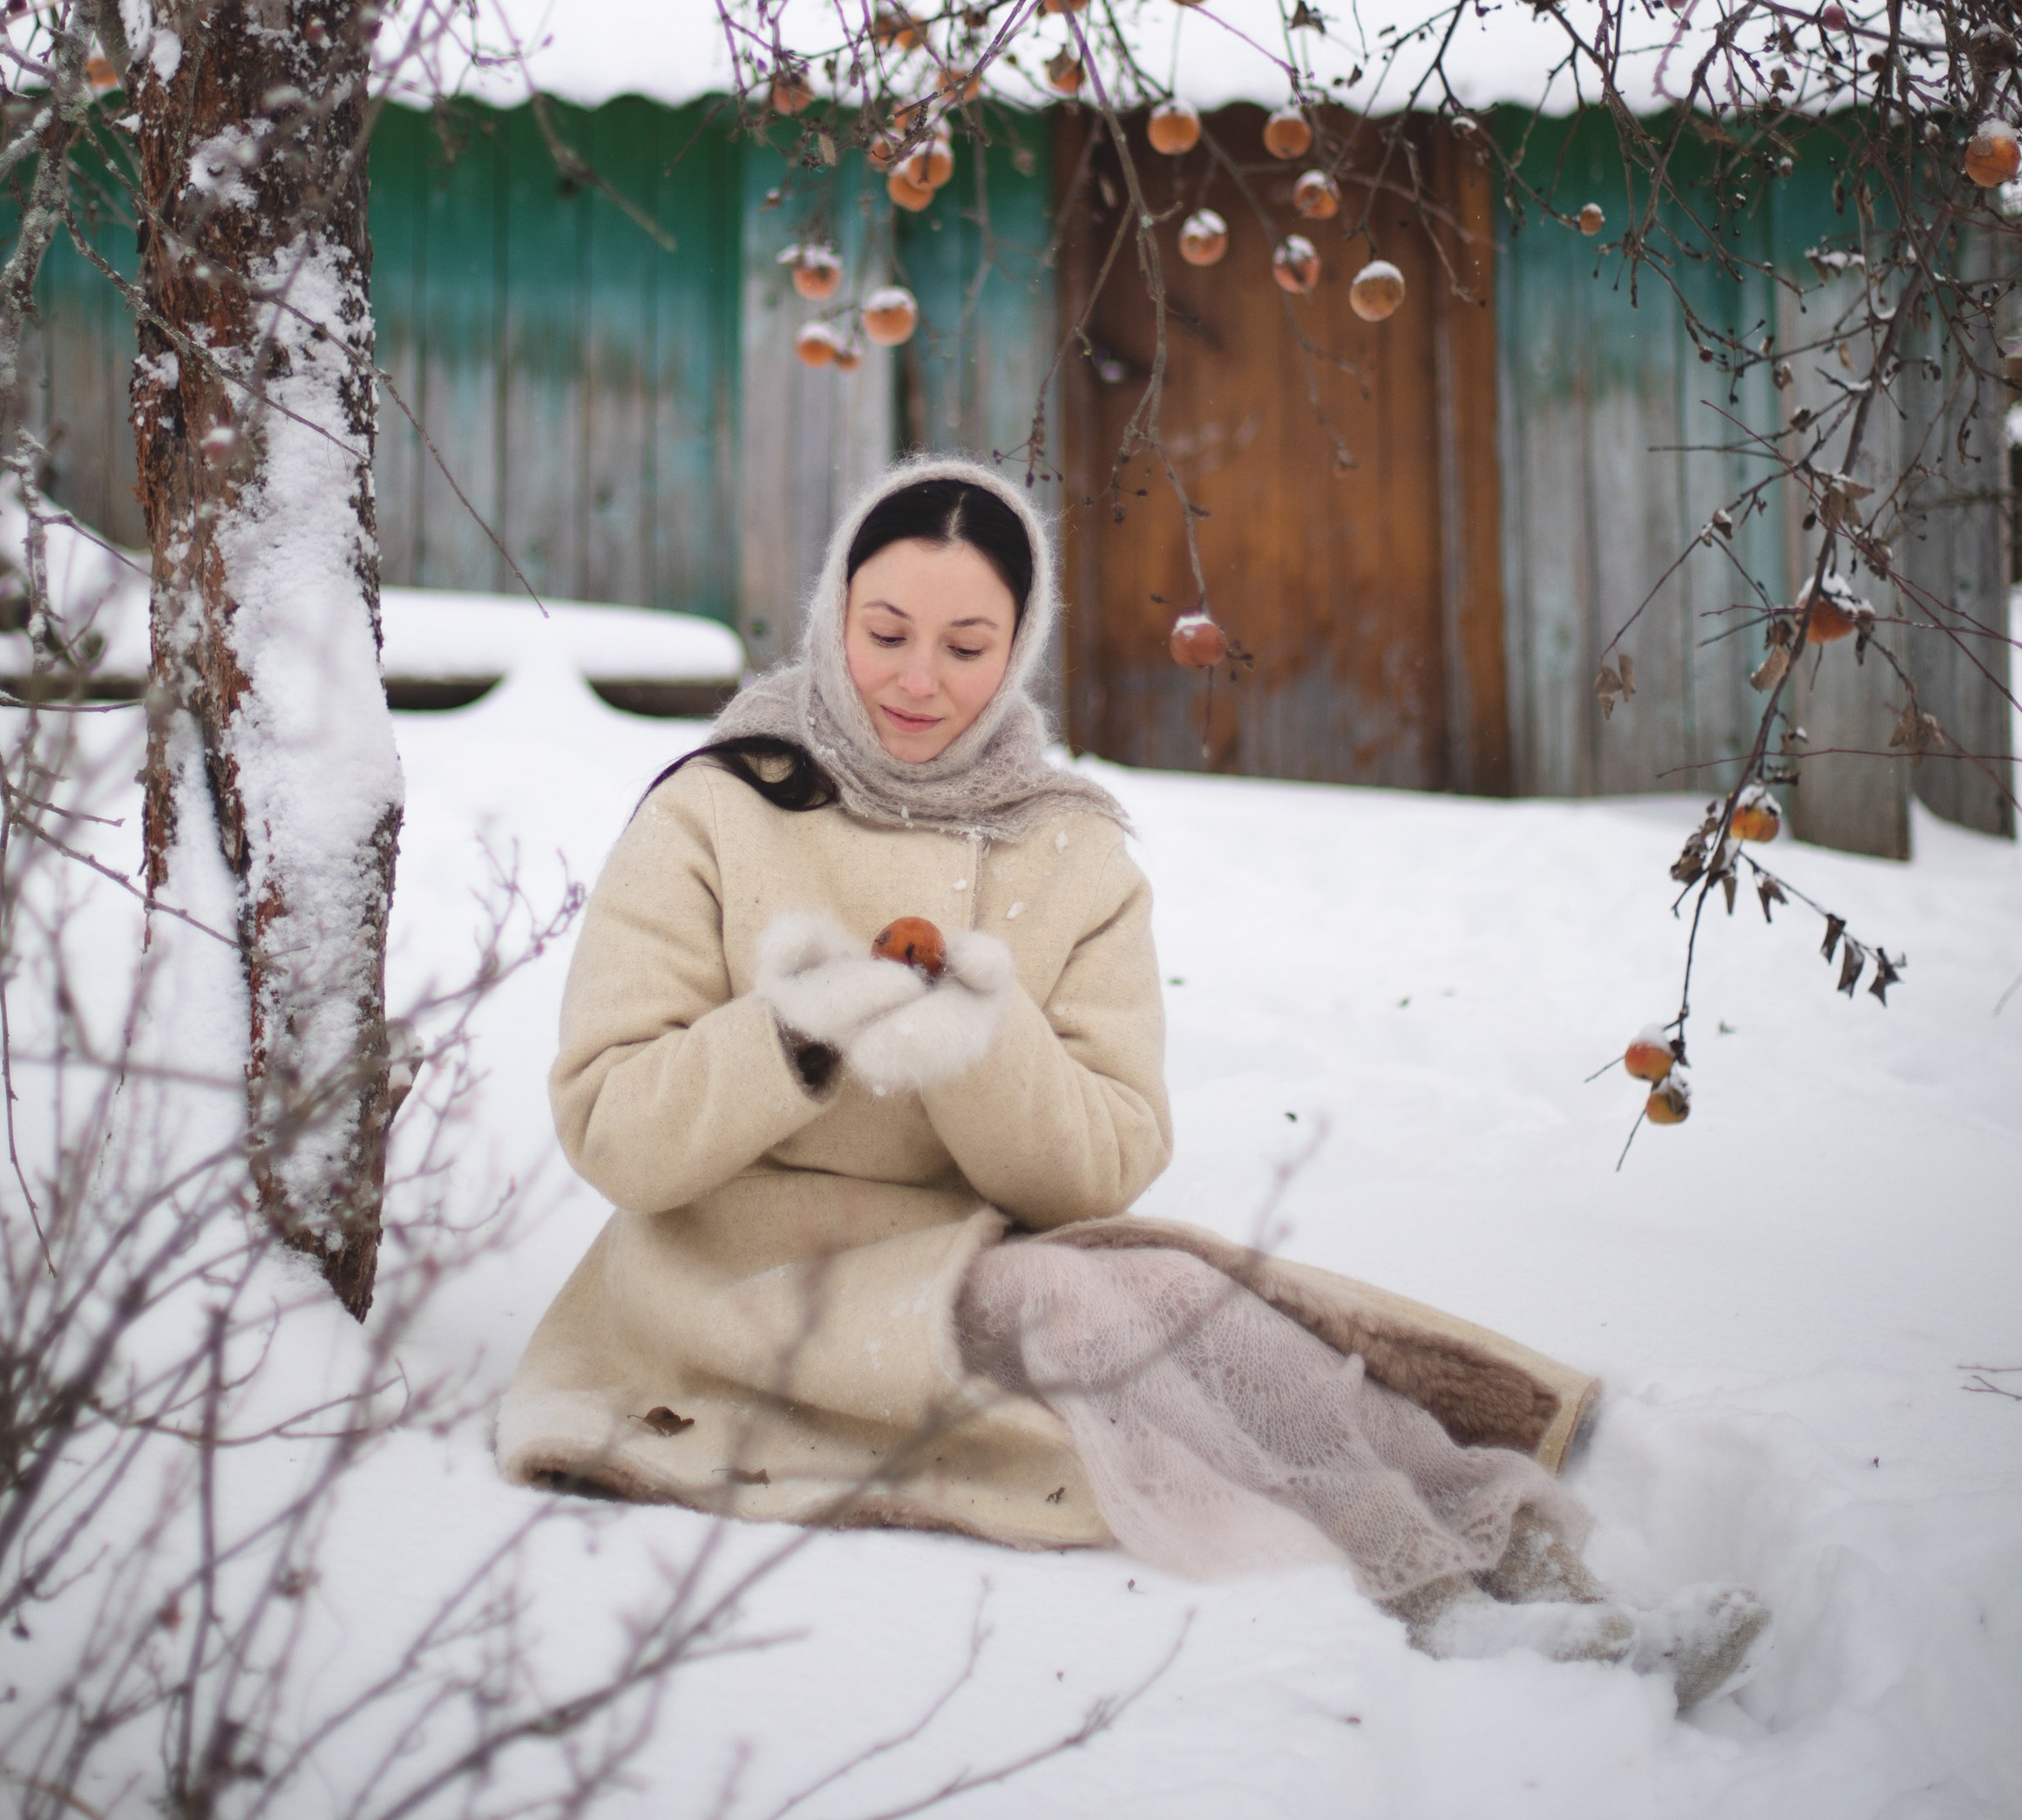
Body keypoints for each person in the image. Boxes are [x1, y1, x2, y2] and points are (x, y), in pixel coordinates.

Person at [499, 456, 1766, 1708]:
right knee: (1088, 1303)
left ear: (1019, 651)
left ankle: (1537, 1557)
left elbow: (1103, 1164)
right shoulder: (713, 811)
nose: (917, 680)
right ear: (834, 616)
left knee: (1179, 1294)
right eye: (885, 632)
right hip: (731, 1290)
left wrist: (980, 1046)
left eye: (966, 645)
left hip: (970, 1259)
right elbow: (611, 1129)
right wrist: (796, 1036)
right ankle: (1434, 1604)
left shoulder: (1072, 848)